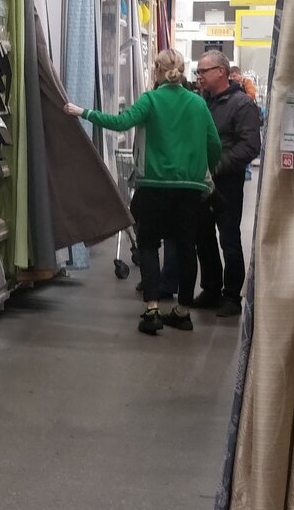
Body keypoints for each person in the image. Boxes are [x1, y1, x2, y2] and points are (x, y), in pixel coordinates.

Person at [67, 49, 221, 336]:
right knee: (187, 248)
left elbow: (120, 123)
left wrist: (83, 112)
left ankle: (152, 310)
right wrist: (203, 169)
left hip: (153, 186)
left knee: (149, 245)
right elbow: (215, 146)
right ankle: (183, 312)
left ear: (157, 71)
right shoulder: (198, 103)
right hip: (190, 190)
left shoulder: (150, 100)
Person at [191, 50, 263, 318]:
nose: (199, 77)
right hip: (201, 182)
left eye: (203, 71)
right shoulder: (202, 102)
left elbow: (250, 146)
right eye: (198, 72)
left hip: (227, 183)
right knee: (203, 236)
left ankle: (232, 296)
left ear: (220, 71)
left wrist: (218, 165)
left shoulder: (242, 105)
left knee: (229, 238)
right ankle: (210, 289)